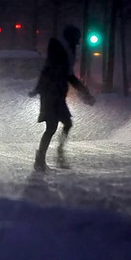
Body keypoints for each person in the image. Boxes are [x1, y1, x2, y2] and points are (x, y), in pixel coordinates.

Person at [29, 24, 96, 172]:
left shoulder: (67, 51)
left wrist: (84, 92)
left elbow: (68, 75)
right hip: (50, 94)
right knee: (52, 127)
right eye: (77, 38)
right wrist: (38, 89)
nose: (79, 41)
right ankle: (41, 159)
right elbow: (52, 72)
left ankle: (57, 155)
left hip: (57, 95)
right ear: (70, 38)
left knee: (67, 123)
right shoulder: (59, 51)